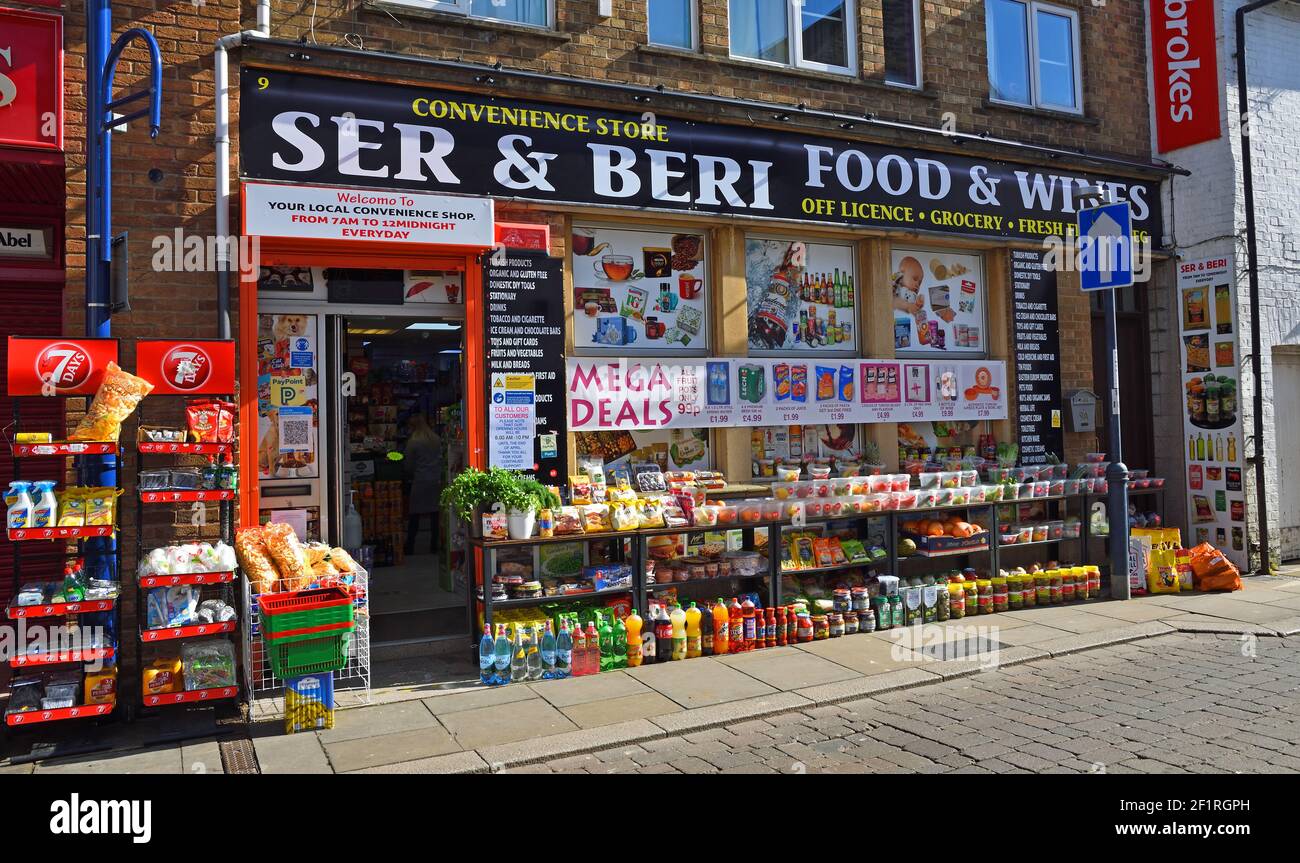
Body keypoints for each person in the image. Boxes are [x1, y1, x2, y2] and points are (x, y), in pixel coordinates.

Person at [403, 412, 442, 555]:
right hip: (435, 481)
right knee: (435, 514)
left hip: (420, 481)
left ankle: (410, 545)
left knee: (414, 514)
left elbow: (408, 465)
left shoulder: (413, 442)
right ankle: (434, 545)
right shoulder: (436, 439)